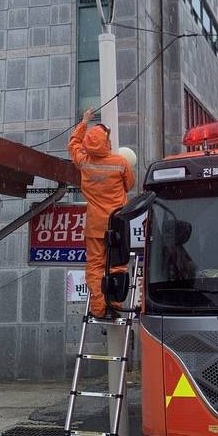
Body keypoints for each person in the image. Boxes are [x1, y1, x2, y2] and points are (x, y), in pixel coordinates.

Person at [68, 110, 135, 319]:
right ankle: (114, 304)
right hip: (116, 223)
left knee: (95, 268)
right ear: (106, 142)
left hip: (95, 225)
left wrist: (84, 121)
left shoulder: (84, 161)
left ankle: (98, 309)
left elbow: (73, 144)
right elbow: (129, 185)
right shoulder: (120, 163)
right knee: (116, 264)